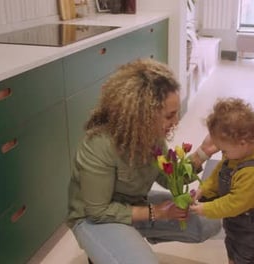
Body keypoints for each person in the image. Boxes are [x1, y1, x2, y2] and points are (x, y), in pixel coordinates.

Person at [67, 59, 221, 264]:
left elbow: (170, 178)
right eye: (170, 115)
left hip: (134, 203)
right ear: (143, 115)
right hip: (93, 218)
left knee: (208, 221)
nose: (176, 122)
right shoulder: (99, 145)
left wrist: (204, 152)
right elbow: (98, 211)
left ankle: (126, 238)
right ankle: (109, 243)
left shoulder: (152, 136)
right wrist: (157, 212)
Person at [190, 98, 254, 264]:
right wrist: (203, 190)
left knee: (243, 257)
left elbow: (234, 203)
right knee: (231, 249)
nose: (222, 154)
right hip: (234, 223)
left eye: (224, 150)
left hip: (249, 231)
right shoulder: (236, 155)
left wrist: (205, 209)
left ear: (242, 143)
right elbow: (218, 175)